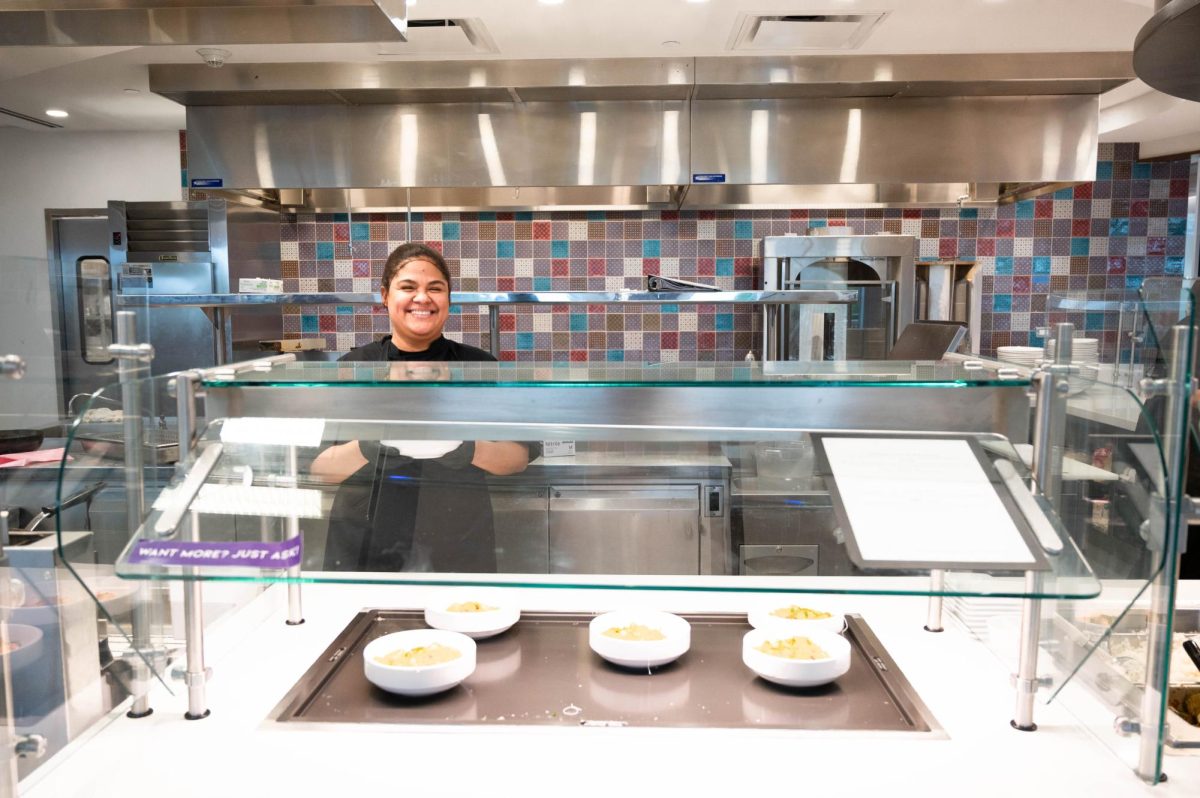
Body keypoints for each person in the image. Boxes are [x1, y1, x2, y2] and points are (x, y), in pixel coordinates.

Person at [311, 242, 531, 572]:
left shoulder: (479, 367)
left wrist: (466, 449)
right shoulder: (354, 368)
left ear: (449, 299)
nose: (422, 298)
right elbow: (319, 469)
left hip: (457, 542)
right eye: (408, 287)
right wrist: (371, 447)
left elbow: (518, 457)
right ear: (385, 295)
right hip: (368, 543)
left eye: (435, 288)